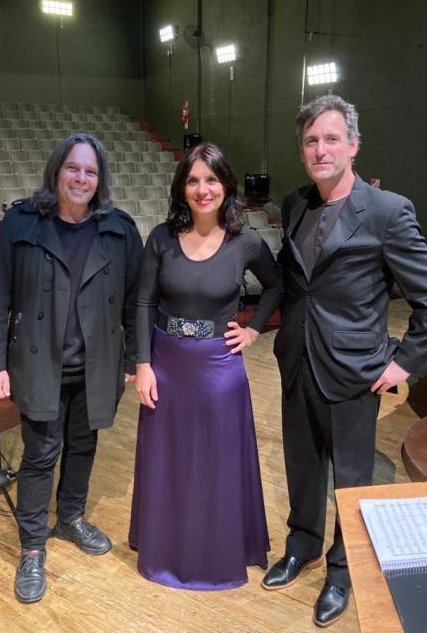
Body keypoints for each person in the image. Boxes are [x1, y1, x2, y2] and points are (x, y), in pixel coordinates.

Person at [261, 95, 427, 627]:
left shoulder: (388, 211)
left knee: (351, 478)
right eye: (311, 141)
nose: (321, 150)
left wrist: (405, 362)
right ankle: (302, 546)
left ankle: (342, 572)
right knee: (301, 466)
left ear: (353, 146)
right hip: (298, 360)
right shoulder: (295, 204)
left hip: (354, 371)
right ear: (302, 150)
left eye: (331, 139)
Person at [0, 132, 142, 604]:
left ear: (100, 180)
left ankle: (70, 518)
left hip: (98, 365)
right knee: (41, 454)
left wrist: (132, 359)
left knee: (84, 445)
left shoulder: (120, 230)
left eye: (90, 171)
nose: (81, 178)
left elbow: (135, 303)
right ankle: (32, 547)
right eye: (73, 168)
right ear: (57, 170)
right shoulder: (21, 221)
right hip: (37, 362)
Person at [129, 142, 283, 590]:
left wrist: (253, 330)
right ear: (182, 188)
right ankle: (166, 551)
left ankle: (216, 555)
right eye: (194, 180)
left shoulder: (246, 241)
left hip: (219, 368)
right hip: (166, 365)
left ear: (226, 185)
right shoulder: (161, 238)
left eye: (211, 180)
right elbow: (144, 302)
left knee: (216, 464)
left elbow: (276, 286)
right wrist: (143, 364)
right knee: (169, 461)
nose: (203, 189)